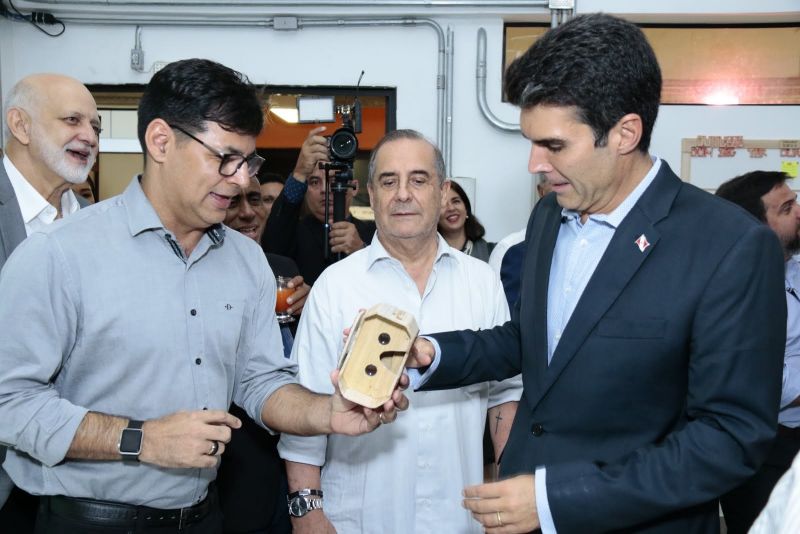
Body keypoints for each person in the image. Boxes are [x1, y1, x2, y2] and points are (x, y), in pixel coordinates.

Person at [406, 13, 786, 534]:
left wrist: (554, 500)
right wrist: (433, 354)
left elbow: (729, 439)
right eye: (531, 142)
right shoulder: (549, 215)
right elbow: (541, 343)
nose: (534, 164)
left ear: (625, 133)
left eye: (554, 145)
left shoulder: (730, 246)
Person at [0, 58, 406, 534]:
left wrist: (327, 412)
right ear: (161, 141)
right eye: (225, 158)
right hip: (89, 521)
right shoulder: (59, 253)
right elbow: (10, 401)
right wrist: (141, 439)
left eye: (248, 162)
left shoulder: (246, 260)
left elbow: (259, 381)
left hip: (205, 517)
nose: (241, 179)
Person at [278, 129, 521, 534]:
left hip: (459, 517)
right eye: (389, 182)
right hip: (356, 520)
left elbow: (504, 394)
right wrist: (307, 513)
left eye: (418, 180)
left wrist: (507, 492)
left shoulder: (482, 281)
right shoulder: (335, 286)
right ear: (371, 195)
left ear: (442, 192)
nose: (403, 194)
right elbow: (304, 404)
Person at [0, 72, 99, 530]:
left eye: (95, 126)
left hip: (81, 486)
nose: (89, 136)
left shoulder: (101, 227)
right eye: (72, 120)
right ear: (20, 126)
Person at [218, 174, 309, 534]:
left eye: (255, 200)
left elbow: (300, 361)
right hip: (233, 462)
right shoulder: (200, 274)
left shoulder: (283, 268)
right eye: (233, 201)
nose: (248, 213)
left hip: (292, 456)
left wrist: (309, 311)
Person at [714, 170, 800, 533]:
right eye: (787, 209)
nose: (799, 212)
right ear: (756, 226)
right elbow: (760, 380)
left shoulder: (794, 268)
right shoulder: (733, 289)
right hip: (766, 450)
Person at [260, 126, 376, 285]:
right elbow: (272, 242)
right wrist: (299, 173)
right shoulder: (293, 233)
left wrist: (361, 250)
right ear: (305, 189)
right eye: (314, 182)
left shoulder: (375, 234)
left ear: (354, 187)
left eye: (334, 181)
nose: (324, 190)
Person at [438, 179, 493, 261]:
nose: (451, 208)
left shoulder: (492, 253)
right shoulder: (426, 256)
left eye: (456, 201)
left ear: (466, 208)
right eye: (442, 204)